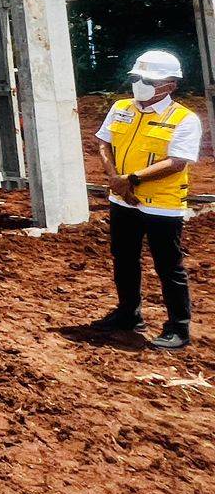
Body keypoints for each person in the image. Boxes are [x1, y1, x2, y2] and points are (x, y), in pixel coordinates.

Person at [91, 49, 202, 351]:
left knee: (168, 266)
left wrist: (131, 179)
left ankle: (178, 327)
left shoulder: (184, 119)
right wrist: (115, 178)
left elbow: (177, 162)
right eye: (138, 78)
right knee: (124, 258)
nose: (141, 84)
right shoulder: (121, 107)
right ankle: (129, 314)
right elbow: (104, 141)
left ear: (171, 85)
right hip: (122, 201)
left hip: (162, 205)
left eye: (150, 80)